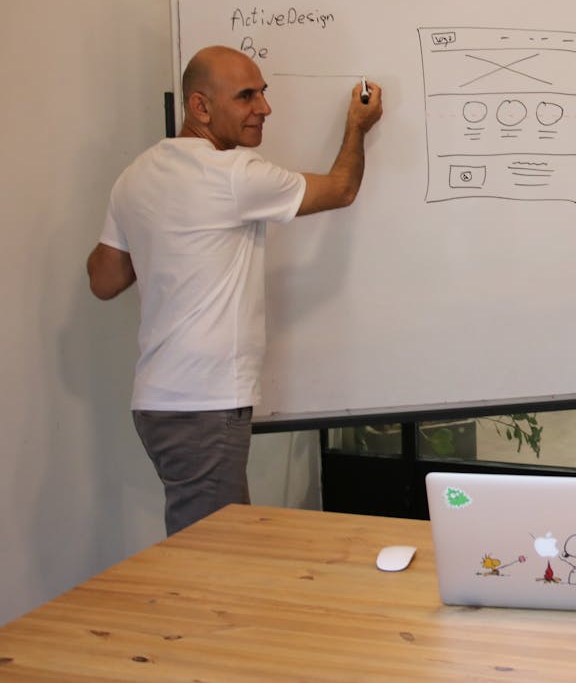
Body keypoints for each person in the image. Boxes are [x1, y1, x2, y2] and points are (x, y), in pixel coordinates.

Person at [86, 45, 384, 535]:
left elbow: (104, 280)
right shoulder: (233, 175)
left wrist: (155, 231)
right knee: (212, 554)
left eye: (263, 93)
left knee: (215, 540)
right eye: (246, 97)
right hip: (203, 400)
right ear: (200, 107)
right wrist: (357, 125)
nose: (263, 108)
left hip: (159, 400)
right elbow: (341, 189)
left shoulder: (134, 177)